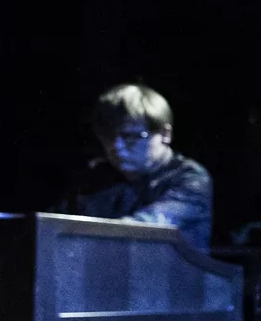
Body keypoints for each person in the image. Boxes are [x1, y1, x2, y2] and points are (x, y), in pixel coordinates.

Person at [64, 82, 213, 248]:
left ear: (165, 134)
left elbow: (145, 228)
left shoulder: (191, 178)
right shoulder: (97, 176)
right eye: (107, 136)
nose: (116, 146)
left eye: (131, 136)